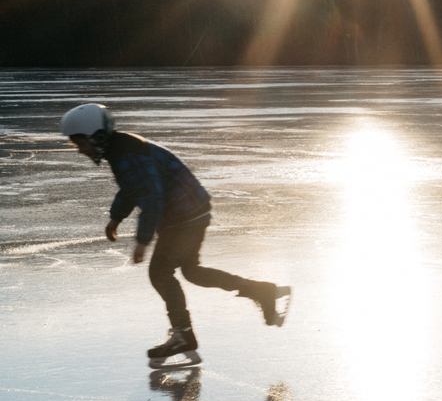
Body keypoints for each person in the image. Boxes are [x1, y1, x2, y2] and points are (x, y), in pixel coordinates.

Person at [60, 102, 291, 369]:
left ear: (97, 136)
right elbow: (131, 188)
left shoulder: (126, 154)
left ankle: (184, 336)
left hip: (183, 216)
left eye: (80, 143)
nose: (79, 150)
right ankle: (262, 291)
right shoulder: (120, 149)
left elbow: (151, 194)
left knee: (159, 273)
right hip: (191, 211)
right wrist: (116, 217)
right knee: (192, 271)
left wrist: (143, 240)